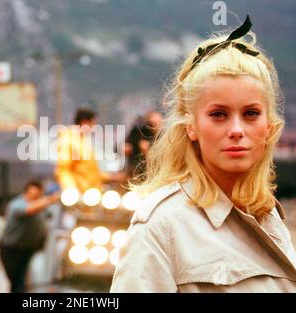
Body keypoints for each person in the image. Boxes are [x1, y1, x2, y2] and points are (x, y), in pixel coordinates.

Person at [111, 15, 296, 292]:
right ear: (191, 126)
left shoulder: (267, 213)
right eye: (219, 114)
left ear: (269, 126)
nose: (236, 129)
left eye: (251, 114)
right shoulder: (161, 227)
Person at [0, 180, 60, 293]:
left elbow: (50, 217)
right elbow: (29, 210)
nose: (34, 198)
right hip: (11, 249)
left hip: (29, 249)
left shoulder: (41, 207)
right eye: (32, 195)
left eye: (37, 196)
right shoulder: (16, 205)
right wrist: (50, 199)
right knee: (15, 278)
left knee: (21, 281)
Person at [55, 108, 123, 193]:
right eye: (93, 124)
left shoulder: (82, 142)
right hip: (79, 198)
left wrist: (110, 177)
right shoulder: (68, 141)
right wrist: (71, 190)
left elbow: (89, 172)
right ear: (85, 122)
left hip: (90, 195)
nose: (93, 128)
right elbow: (64, 170)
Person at [125, 111, 163, 177]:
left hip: (156, 173)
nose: (154, 126)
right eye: (151, 123)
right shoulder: (138, 134)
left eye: (157, 122)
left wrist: (147, 151)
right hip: (137, 171)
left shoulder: (163, 138)